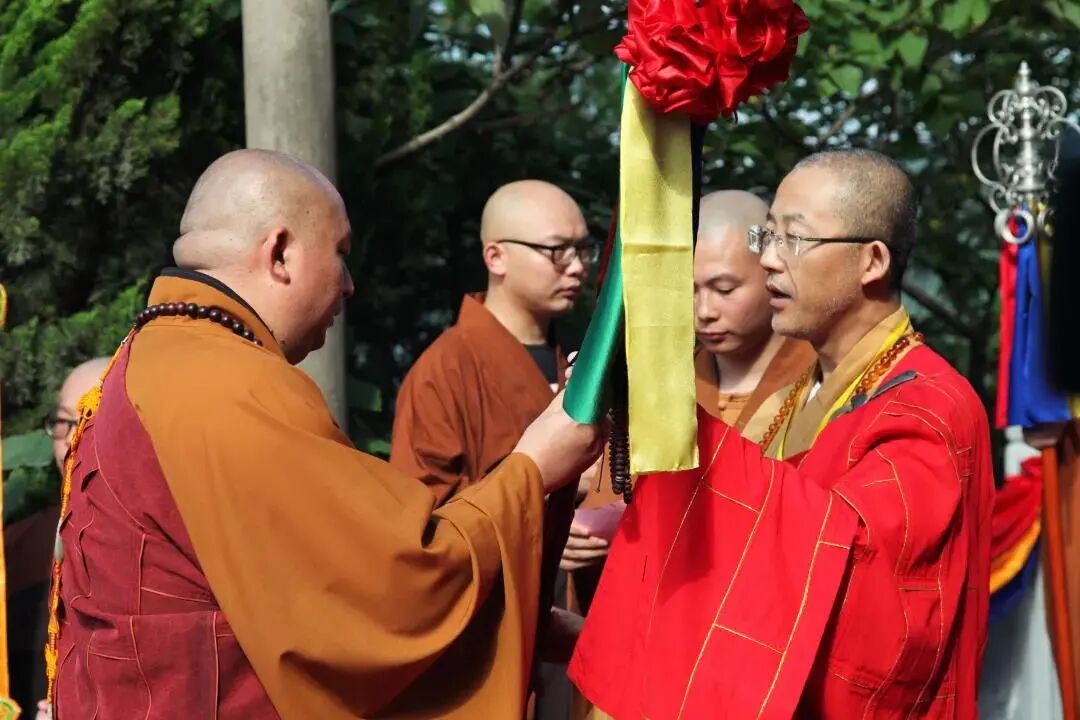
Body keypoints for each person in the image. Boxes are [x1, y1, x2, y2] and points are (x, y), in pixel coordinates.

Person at [49, 149, 603, 719]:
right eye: (339, 253)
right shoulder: (221, 382)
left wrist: (521, 612)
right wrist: (534, 466)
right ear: (281, 252)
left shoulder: (157, 358)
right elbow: (397, 583)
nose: (349, 284)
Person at [570, 149, 994, 718]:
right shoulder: (806, 390)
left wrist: (664, 407)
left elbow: (866, 599)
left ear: (872, 260)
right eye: (764, 235)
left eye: (793, 239)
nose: (768, 259)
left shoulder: (928, 407)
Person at [390, 180, 615, 719]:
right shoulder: (446, 370)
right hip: (488, 649)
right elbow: (421, 525)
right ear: (496, 256)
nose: (577, 266)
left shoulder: (578, 364)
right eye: (556, 250)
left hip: (570, 623)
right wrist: (533, 531)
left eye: (584, 249)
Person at [5, 359, 108, 720]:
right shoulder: (21, 544)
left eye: (90, 418)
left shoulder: (164, 541)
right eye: (65, 422)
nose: (71, 439)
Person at [691, 190, 815, 437]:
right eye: (688, 290)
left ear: (772, 272)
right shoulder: (670, 386)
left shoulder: (820, 379)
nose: (704, 311)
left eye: (724, 289)